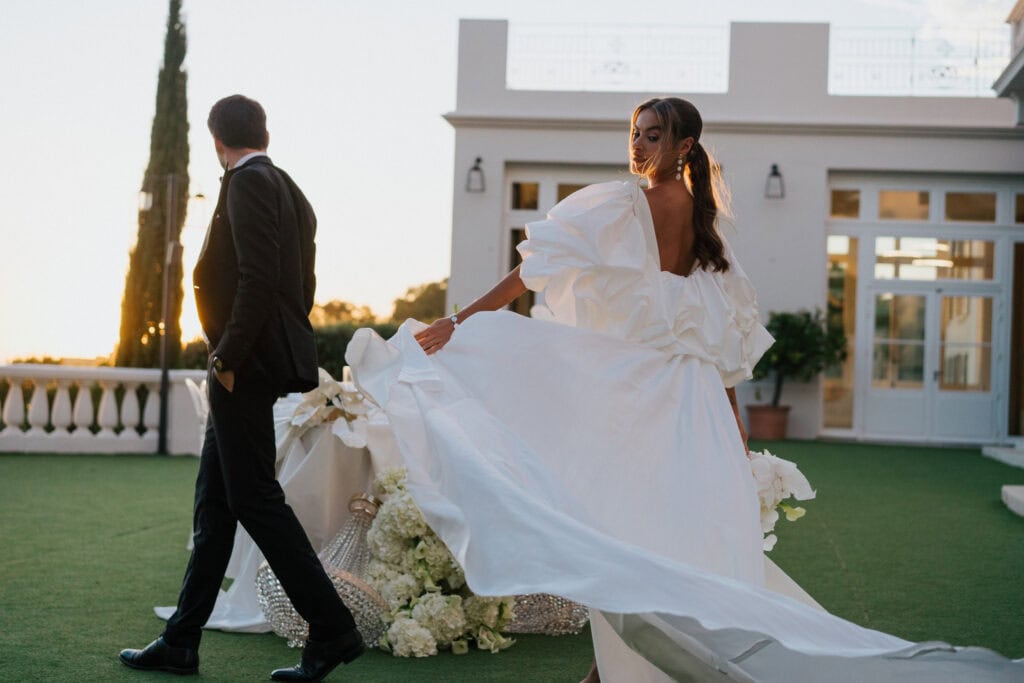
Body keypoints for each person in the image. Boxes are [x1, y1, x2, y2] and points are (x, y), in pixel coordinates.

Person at [346, 97, 1023, 681]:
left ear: (684, 146)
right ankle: (612, 668)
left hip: (646, 397)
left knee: (622, 532)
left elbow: (530, 274)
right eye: (635, 133)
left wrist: (459, 321)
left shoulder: (626, 203)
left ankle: (616, 668)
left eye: (653, 135)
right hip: (689, 404)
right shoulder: (705, 227)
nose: (638, 145)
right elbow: (719, 349)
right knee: (669, 536)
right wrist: (735, 428)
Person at [119, 95, 364, 682]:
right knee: (216, 503)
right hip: (253, 361)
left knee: (253, 498)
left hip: (241, 364)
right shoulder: (289, 188)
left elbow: (259, 276)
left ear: (216, 140)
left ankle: (332, 629)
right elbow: (302, 284)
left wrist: (229, 355)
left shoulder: (248, 181)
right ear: (264, 132)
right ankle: (181, 641)